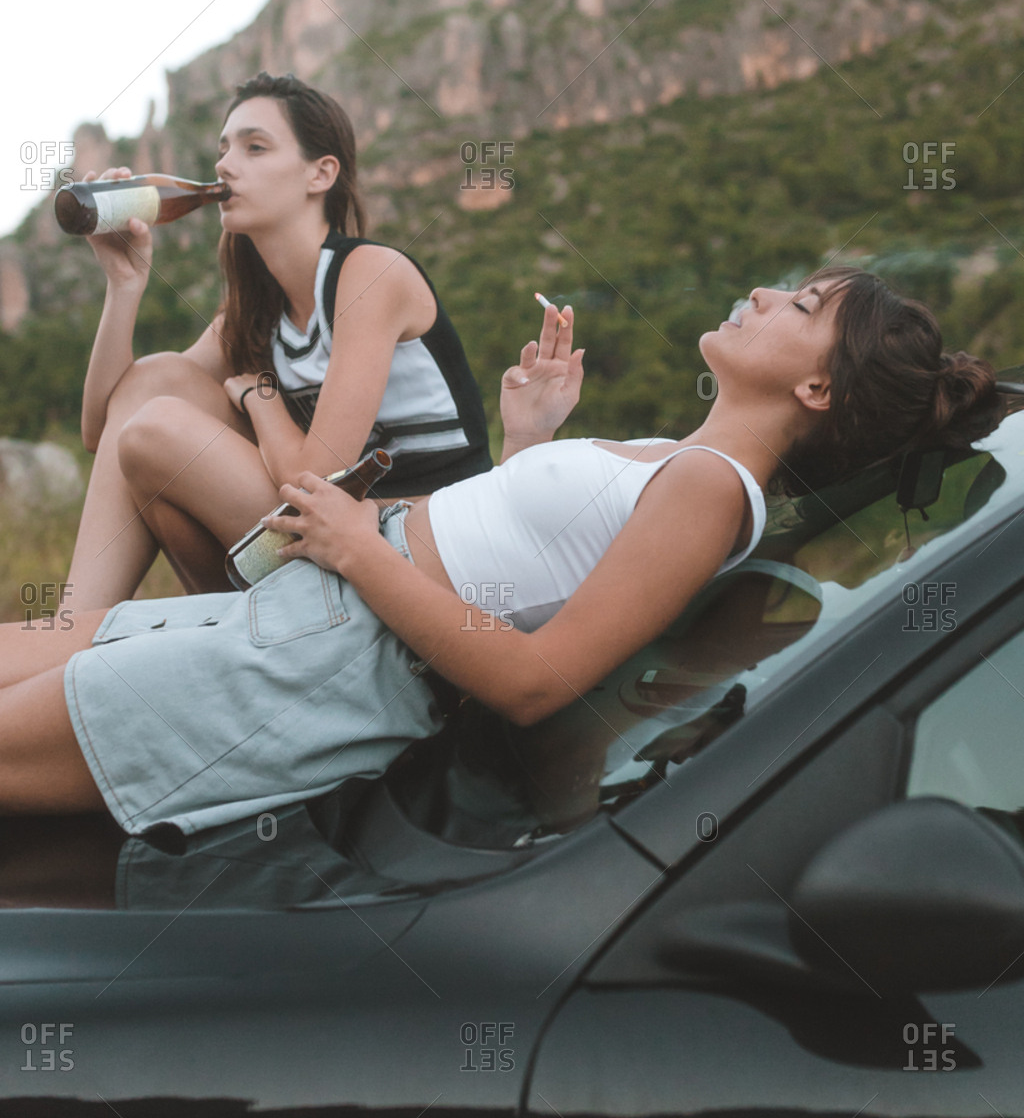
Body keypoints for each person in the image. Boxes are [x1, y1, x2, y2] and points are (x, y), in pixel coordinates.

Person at [0, 266, 1003, 833]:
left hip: (319, 660)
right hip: (303, 609)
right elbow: (516, 570)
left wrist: (358, 546)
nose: (766, 292)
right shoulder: (677, 460)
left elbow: (534, 680)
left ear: (819, 391)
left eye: (802, 305)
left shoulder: (710, 493)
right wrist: (527, 443)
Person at [65, 72, 491, 612]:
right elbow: (103, 431)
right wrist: (123, 286)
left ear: (321, 173)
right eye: (222, 149)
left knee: (159, 431)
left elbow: (316, 481)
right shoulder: (255, 313)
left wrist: (260, 400)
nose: (223, 165)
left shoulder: (370, 275)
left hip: (426, 543)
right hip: (329, 533)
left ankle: (193, 630)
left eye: (255, 147)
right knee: (155, 382)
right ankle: (78, 621)